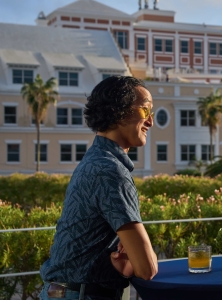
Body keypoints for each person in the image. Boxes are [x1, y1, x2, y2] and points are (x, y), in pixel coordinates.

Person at [40, 76, 158, 300]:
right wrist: (138, 258)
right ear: (118, 111)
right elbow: (147, 268)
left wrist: (117, 267)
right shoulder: (110, 171)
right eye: (145, 110)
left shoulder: (95, 160)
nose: (151, 121)